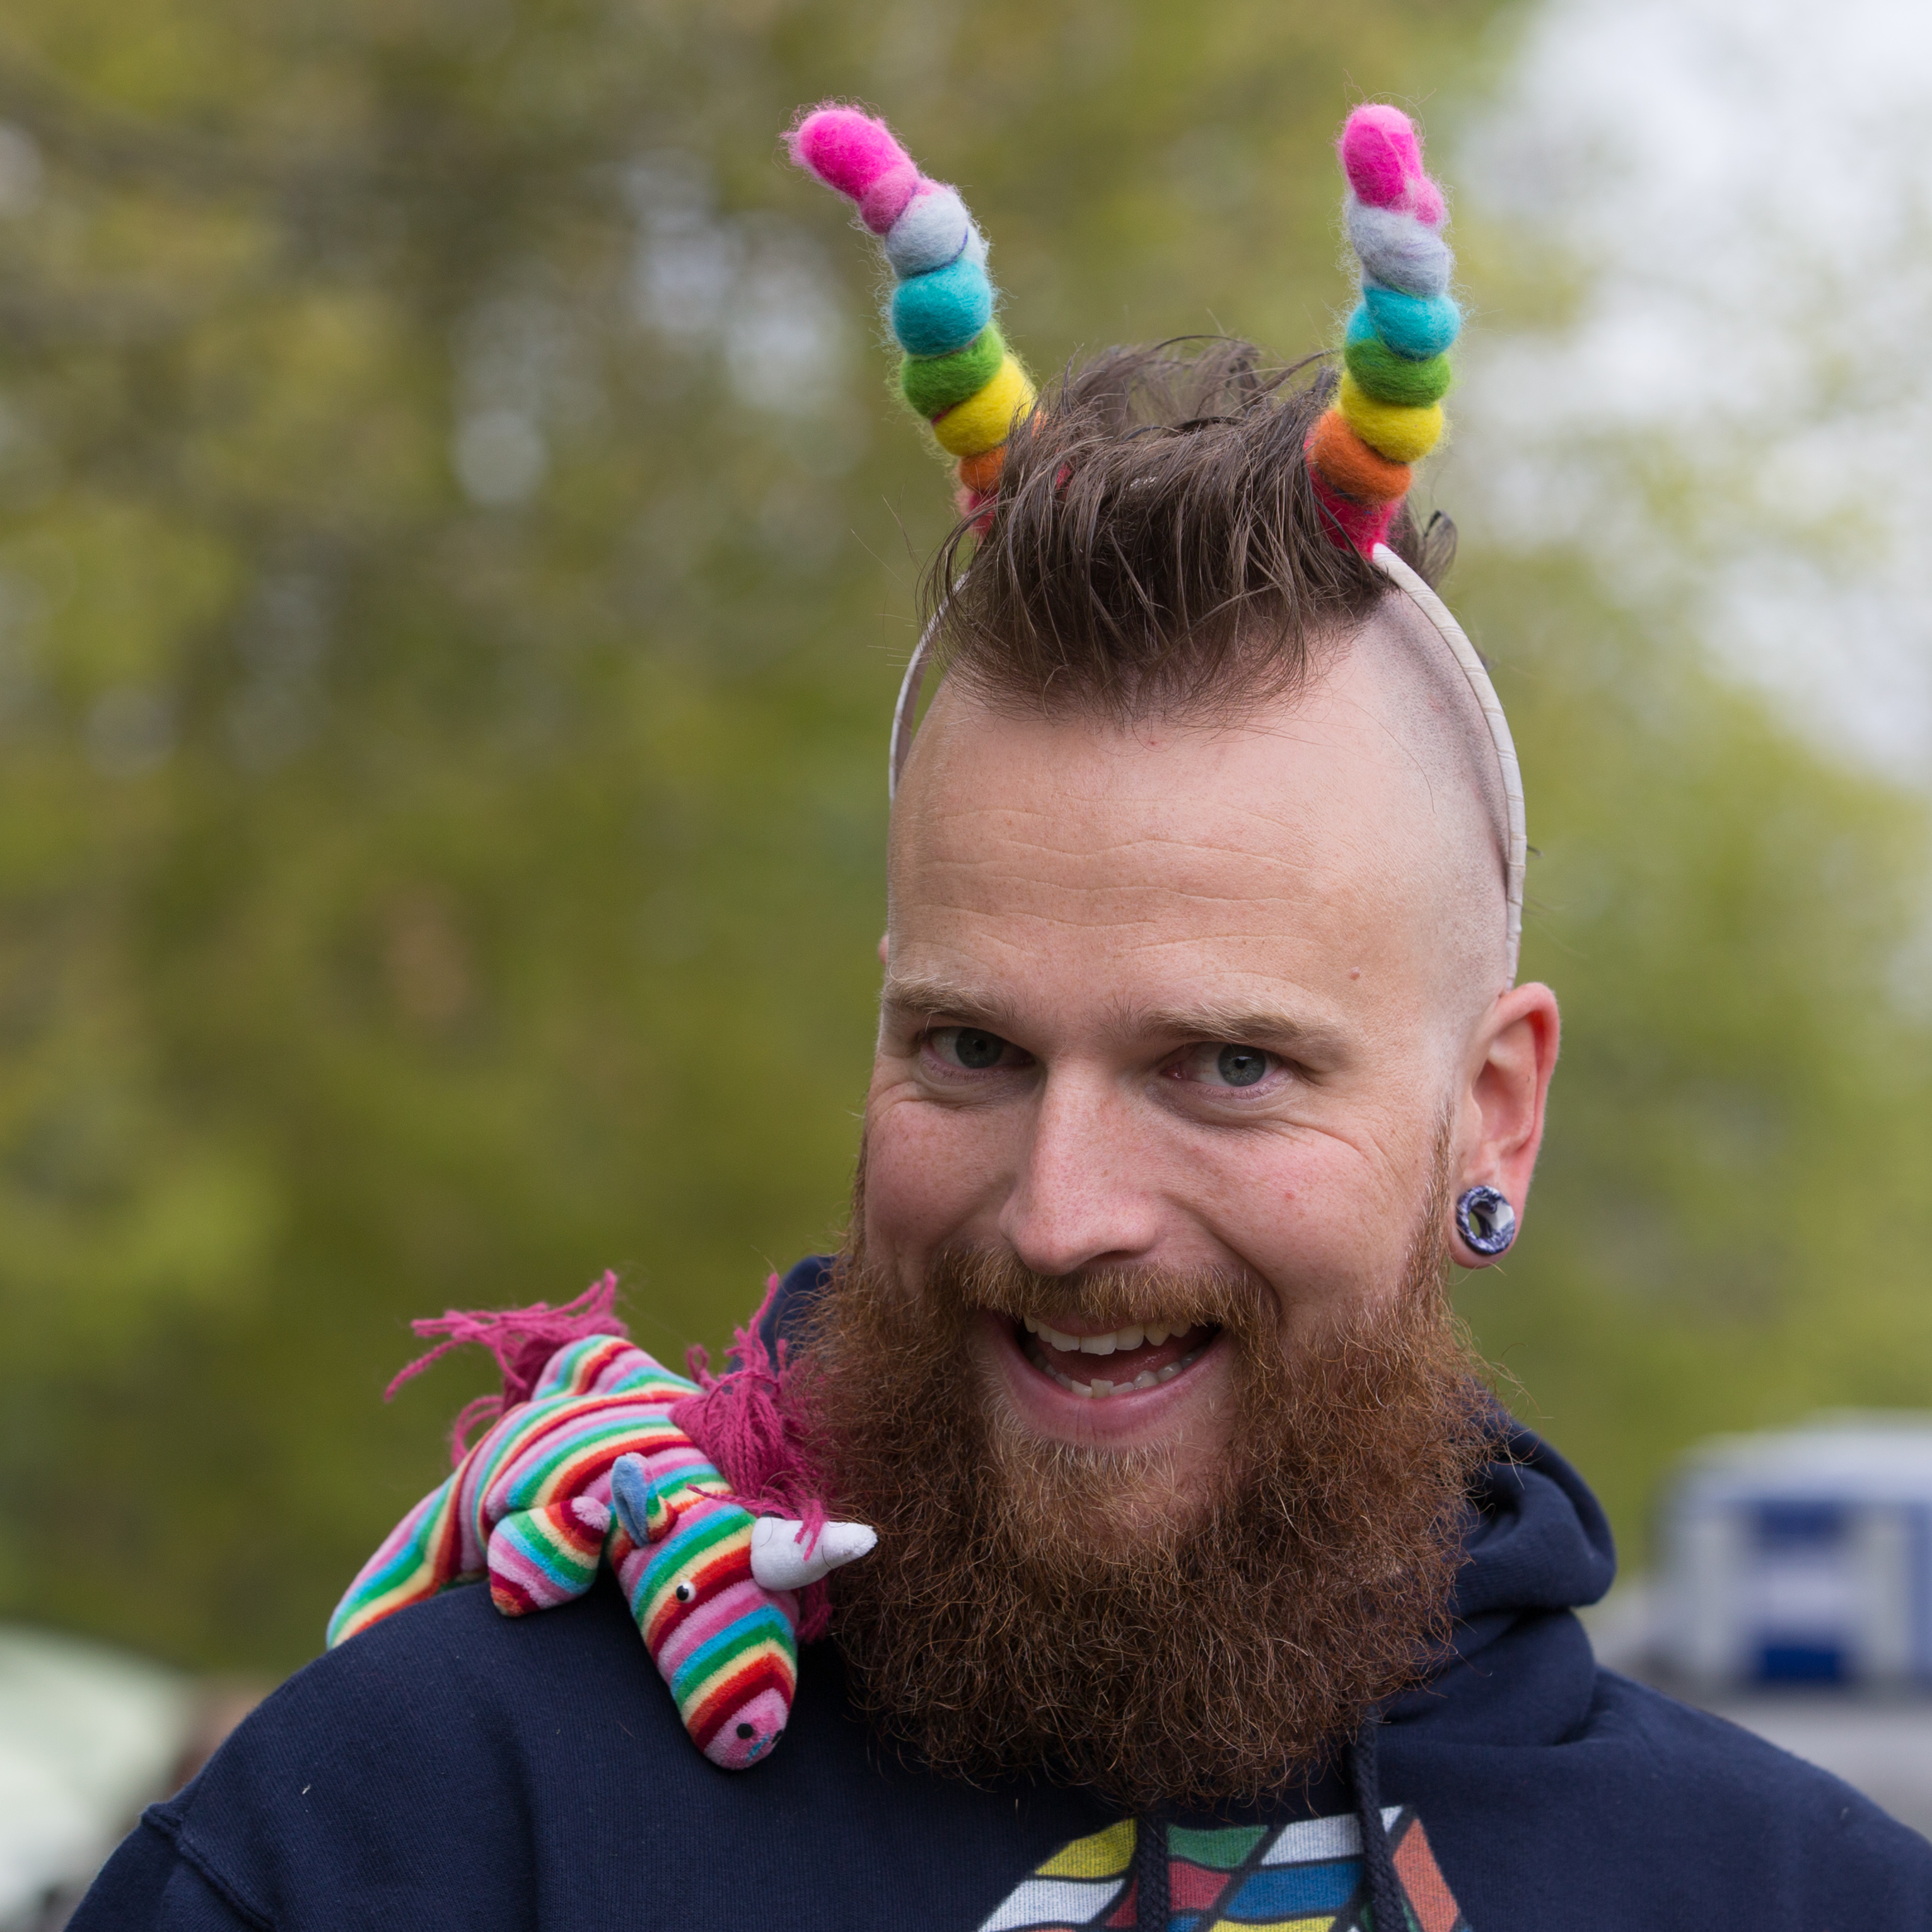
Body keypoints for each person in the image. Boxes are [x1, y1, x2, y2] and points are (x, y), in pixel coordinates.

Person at [74, 102, 1932, 1932]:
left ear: (1496, 1113)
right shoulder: (433, 1825)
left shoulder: (1788, 1894)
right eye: (972, 1050)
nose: (1060, 1215)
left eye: (1227, 1066)